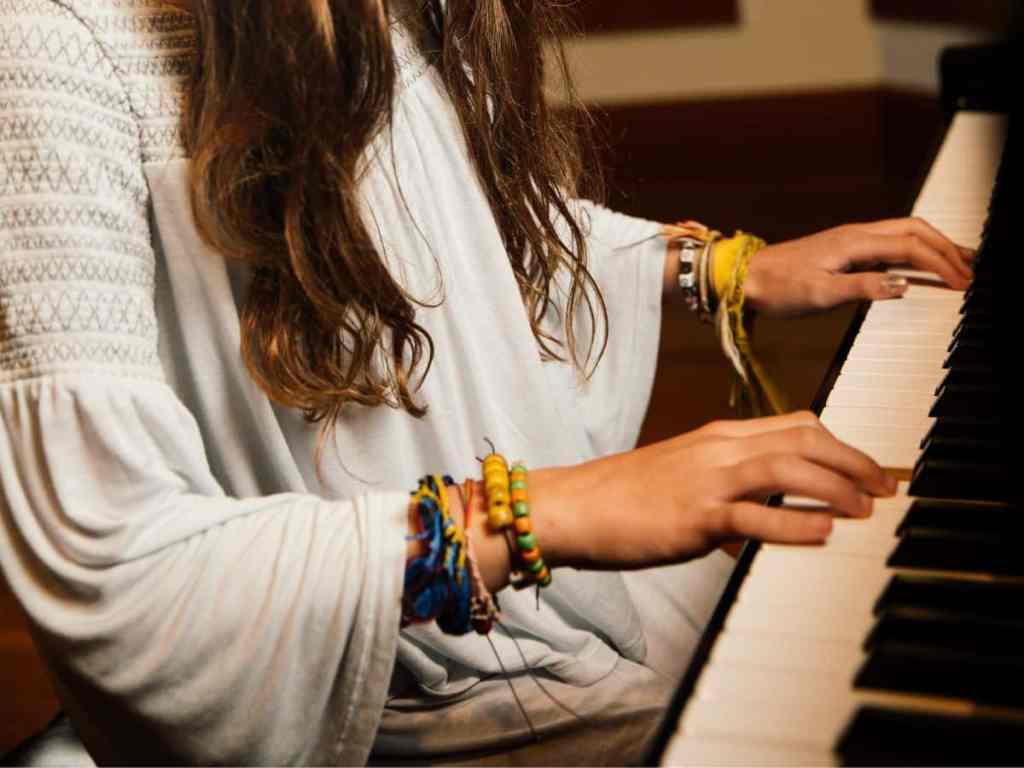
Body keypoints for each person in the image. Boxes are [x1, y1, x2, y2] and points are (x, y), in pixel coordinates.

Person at [0, 0, 973, 764]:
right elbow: (121, 573)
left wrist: (715, 270)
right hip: (388, 692)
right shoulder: (50, 46)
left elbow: (451, 241)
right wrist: (527, 517)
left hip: (546, 614)